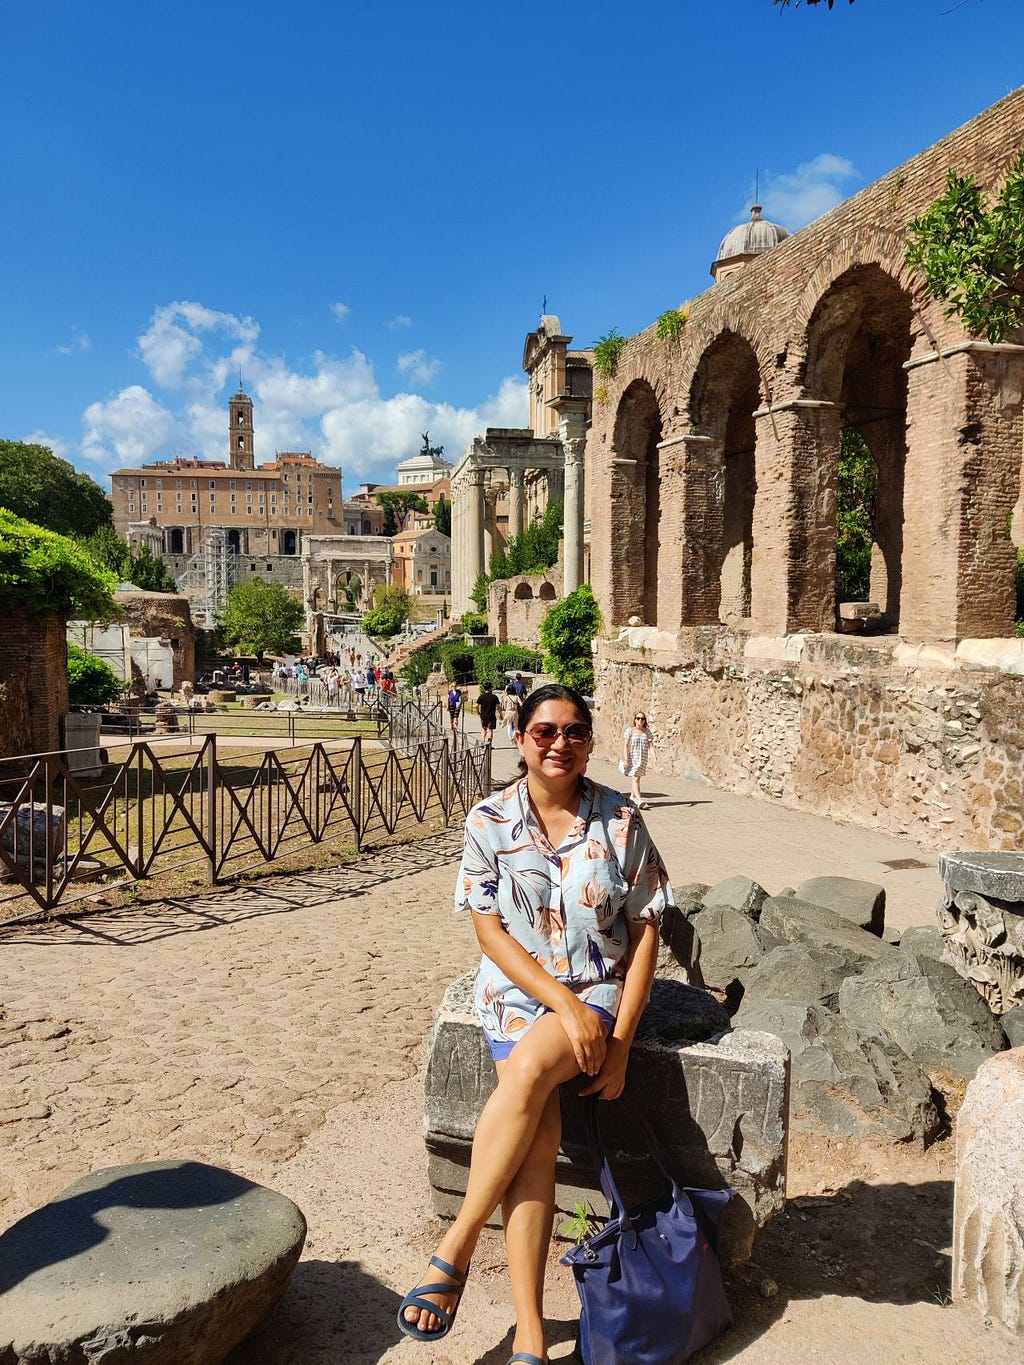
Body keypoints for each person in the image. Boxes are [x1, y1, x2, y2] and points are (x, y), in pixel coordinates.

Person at [398, 684, 671, 1361]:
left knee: (522, 1074)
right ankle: (529, 1332)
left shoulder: (622, 820)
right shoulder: (487, 819)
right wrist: (561, 1002)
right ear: (520, 739)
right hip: (517, 997)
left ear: (590, 741)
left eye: (574, 731)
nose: (560, 742)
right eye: (545, 730)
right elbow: (488, 932)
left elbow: (644, 933)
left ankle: (455, 1247)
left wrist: (621, 1041)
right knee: (536, 1139)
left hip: (597, 989)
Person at [621, 712, 654, 808]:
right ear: (635, 720)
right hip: (632, 758)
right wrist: (626, 759)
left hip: (642, 758)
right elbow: (626, 745)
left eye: (642, 719)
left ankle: (632, 797)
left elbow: (651, 746)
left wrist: (654, 756)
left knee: (637, 779)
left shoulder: (647, 732)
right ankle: (639, 800)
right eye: (638, 718)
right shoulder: (629, 731)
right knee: (635, 778)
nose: (640, 720)